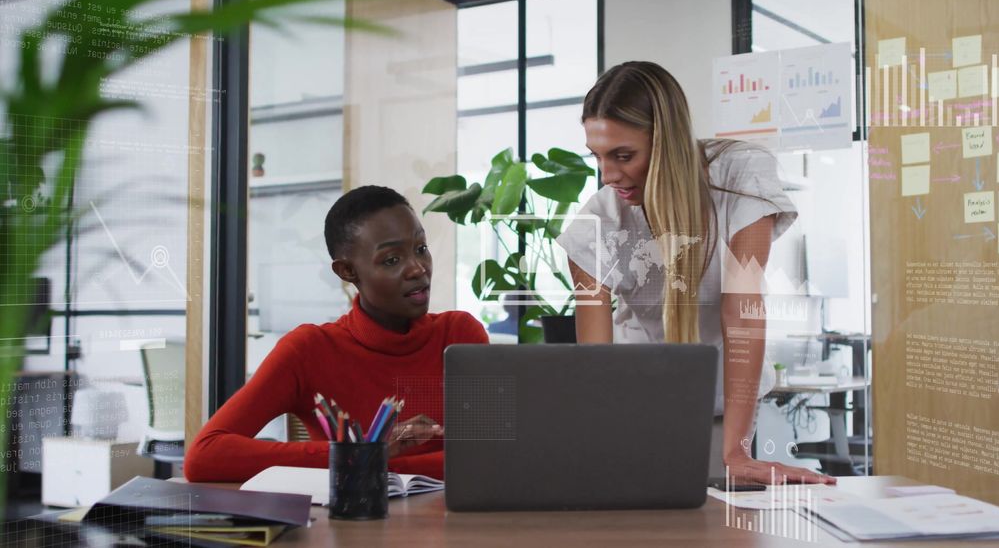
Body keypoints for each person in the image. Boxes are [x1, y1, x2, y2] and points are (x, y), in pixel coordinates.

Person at [556, 61, 834, 486]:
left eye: (624, 155)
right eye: (598, 157)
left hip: (726, 409)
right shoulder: (597, 222)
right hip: (636, 412)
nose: (608, 175)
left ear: (666, 141)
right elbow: (597, 362)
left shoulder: (739, 174)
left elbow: (741, 311)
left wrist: (738, 454)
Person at [185, 185, 488, 482]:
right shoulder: (308, 351)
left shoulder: (459, 335)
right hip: (350, 527)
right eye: (392, 260)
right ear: (347, 271)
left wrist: (368, 463)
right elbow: (204, 455)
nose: (418, 269)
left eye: (421, 249)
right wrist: (360, 452)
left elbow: (491, 458)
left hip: (454, 526)